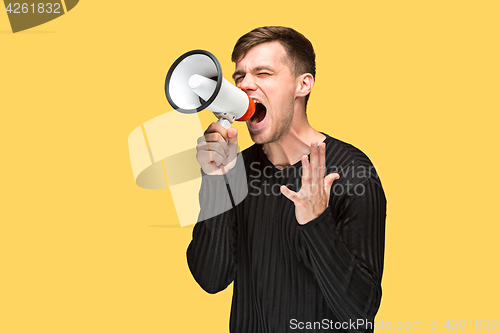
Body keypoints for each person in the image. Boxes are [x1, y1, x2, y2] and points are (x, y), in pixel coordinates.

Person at [187, 26, 386, 332]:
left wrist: (315, 222)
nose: (244, 86)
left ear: (303, 84)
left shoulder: (351, 171)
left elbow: (359, 315)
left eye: (262, 73)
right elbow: (211, 279)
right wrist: (217, 181)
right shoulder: (237, 167)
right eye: (239, 77)